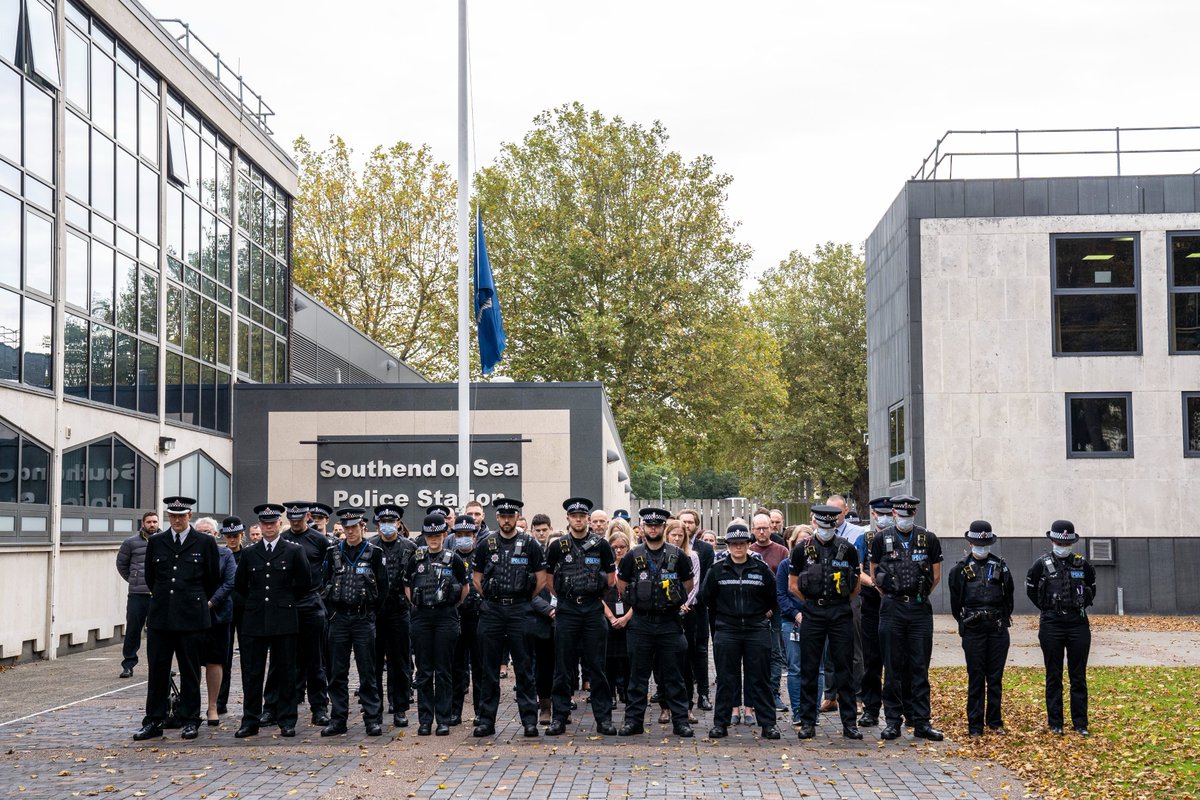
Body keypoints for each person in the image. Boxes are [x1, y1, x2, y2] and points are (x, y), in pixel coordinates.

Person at [132, 497, 221, 741]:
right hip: (161, 617)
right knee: (157, 671)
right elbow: (152, 577)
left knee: (190, 671)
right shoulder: (157, 541)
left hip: (192, 617)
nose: (177, 520)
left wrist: (193, 600)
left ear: (190, 516)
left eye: (181, 516)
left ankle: (190, 718)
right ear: (168, 517)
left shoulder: (204, 542)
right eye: (173, 516)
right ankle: (154, 720)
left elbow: (212, 579)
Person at [233, 505, 312, 738]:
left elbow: (304, 584)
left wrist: (283, 601)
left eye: (272, 523)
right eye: (264, 523)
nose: (268, 527)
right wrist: (256, 605)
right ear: (259, 525)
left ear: (280, 524)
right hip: (255, 620)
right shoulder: (249, 553)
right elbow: (240, 588)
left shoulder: (294, 551)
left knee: (286, 672)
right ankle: (250, 720)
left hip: (284, 618)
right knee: (252, 673)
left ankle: (286, 720)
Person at [870, 494, 944, 741]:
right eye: (901, 515)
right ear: (893, 514)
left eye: (909, 515)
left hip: (919, 609)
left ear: (914, 514)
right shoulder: (881, 539)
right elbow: (875, 575)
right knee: (892, 667)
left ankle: (922, 721)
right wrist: (893, 596)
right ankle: (893, 721)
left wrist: (916, 597)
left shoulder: (928, 539)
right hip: (892, 609)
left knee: (919, 667)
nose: (905, 519)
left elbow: (935, 576)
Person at [472, 497, 548, 738]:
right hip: (493, 610)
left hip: (520, 610)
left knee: (525, 668)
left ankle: (529, 721)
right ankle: (486, 721)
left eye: (511, 516)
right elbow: (476, 577)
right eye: (503, 516)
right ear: (497, 517)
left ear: (517, 517)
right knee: (489, 669)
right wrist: (494, 598)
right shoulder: (487, 543)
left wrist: (522, 598)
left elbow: (541, 579)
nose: (507, 520)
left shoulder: (530, 544)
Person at [616, 507, 695, 738]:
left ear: (663, 527)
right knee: (638, 676)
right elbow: (622, 585)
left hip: (669, 623)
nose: (653, 528)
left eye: (657, 525)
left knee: (674, 676)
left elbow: (688, 584)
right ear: (643, 527)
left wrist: (672, 601)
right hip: (641, 622)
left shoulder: (677, 555)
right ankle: (634, 722)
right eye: (649, 525)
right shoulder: (633, 555)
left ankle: (681, 722)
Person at [701, 522, 780, 740]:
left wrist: (761, 614)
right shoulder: (717, 570)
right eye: (734, 544)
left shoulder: (760, 568)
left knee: (760, 678)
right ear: (727, 545)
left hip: (756, 629)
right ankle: (721, 723)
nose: (738, 548)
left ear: (748, 544)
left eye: (742, 543)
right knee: (726, 679)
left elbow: (772, 598)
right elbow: (708, 598)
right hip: (727, 629)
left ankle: (768, 724)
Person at [545, 497, 617, 736]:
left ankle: (603, 719)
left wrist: (589, 595)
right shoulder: (557, 546)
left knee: (597, 666)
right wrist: (567, 598)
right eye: (574, 516)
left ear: (588, 518)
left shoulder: (601, 545)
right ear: (568, 519)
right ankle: (559, 717)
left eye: (582, 516)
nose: (578, 519)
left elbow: (610, 580)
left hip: (592, 610)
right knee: (563, 667)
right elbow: (549, 581)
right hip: (567, 610)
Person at [790, 505, 863, 740]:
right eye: (821, 526)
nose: (825, 530)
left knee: (845, 668)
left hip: (840, 613)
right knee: (809, 669)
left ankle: (849, 724)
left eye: (829, 526)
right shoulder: (802, 549)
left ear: (835, 525)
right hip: (813, 613)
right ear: (814, 523)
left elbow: (856, 585)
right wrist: (814, 603)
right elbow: (793, 585)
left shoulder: (848, 549)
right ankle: (808, 722)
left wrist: (838, 604)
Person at [321, 507, 388, 737]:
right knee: (337, 672)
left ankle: (372, 719)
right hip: (339, 619)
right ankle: (338, 719)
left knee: (367, 672)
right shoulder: (332, 552)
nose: (350, 531)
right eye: (346, 527)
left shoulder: (375, 553)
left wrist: (370, 614)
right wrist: (331, 614)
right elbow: (324, 582)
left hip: (362, 619)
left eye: (354, 527)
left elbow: (383, 588)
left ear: (362, 527)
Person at [264, 502, 332, 727]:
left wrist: (322, 594)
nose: (295, 522)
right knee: (279, 661)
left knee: (315, 660)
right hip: (285, 605)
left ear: (308, 516)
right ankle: (272, 707)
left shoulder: (319, 541)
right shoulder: (281, 540)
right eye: (291, 518)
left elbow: (329, 569)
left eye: (299, 518)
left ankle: (319, 708)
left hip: (311, 604)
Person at [1026, 520, 1096, 736]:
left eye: (1066, 543)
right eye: (1059, 542)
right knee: (1054, 675)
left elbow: (1092, 589)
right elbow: (1032, 592)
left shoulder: (1082, 564)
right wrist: (1050, 610)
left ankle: (1080, 723)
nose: (1062, 546)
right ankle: (1056, 722)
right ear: (1052, 540)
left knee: (1078, 675)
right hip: (1052, 624)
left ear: (1072, 543)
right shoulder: (1041, 564)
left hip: (1077, 624)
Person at [949, 520, 1014, 737]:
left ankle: (994, 721)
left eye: (985, 543)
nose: (982, 546)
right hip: (974, 628)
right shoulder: (959, 569)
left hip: (996, 628)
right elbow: (955, 603)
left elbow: (1009, 598)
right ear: (970, 543)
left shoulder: (1001, 566)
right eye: (978, 542)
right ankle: (975, 724)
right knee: (976, 676)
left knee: (995, 676)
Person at [406, 513, 469, 736]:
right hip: (422, 617)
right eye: (429, 534)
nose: (433, 538)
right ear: (424, 535)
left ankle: (443, 719)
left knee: (444, 671)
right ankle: (425, 720)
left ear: (444, 534)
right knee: (424, 672)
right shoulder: (416, 557)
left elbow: (464, 588)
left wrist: (451, 605)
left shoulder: (454, 559)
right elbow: (408, 587)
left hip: (446, 618)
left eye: (437, 534)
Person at [371, 503, 416, 728]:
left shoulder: (410, 547)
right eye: (383, 522)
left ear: (398, 523)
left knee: (400, 662)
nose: (387, 526)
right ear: (378, 524)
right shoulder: (370, 546)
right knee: (374, 663)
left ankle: (399, 709)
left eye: (391, 522)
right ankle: (374, 709)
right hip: (375, 612)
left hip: (399, 610)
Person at [194, 517, 236, 726]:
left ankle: (213, 706)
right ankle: (192, 707)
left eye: (208, 532)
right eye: (200, 531)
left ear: (216, 535)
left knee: (215, 660)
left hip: (218, 615)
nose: (204, 535)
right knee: (191, 662)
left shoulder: (225, 554)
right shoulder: (189, 554)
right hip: (192, 615)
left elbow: (229, 583)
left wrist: (210, 603)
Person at [749, 512, 790, 715]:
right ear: (753, 530)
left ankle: (773, 692)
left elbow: (784, 583)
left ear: (772, 529)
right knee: (755, 654)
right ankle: (755, 695)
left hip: (775, 609)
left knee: (775, 652)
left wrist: (772, 606)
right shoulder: (747, 551)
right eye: (759, 528)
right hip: (753, 611)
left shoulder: (782, 551)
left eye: (766, 527)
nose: (763, 531)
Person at [857, 497, 892, 728]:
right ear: (873, 514)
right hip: (870, 605)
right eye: (881, 513)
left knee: (896, 661)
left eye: (890, 512)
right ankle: (870, 709)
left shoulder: (901, 538)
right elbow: (857, 570)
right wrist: (875, 585)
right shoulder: (864, 539)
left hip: (895, 605)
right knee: (871, 661)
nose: (886, 517)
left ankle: (896, 710)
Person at [662, 520, 701, 724]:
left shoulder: (691, 556)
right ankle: (665, 705)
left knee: (685, 661)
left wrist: (683, 603)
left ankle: (686, 706)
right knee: (662, 662)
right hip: (664, 612)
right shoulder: (661, 554)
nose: (676, 539)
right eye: (673, 535)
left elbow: (693, 584)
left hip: (686, 612)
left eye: (680, 536)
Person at [450, 516, 484, 726]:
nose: (463, 539)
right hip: (455, 617)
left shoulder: (482, 558)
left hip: (478, 618)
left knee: (480, 667)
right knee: (456, 667)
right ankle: (455, 711)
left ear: (474, 536)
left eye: (467, 535)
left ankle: (481, 711)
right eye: (459, 535)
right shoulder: (449, 558)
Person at [679, 508, 714, 712]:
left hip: (698, 609)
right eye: (683, 521)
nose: (686, 525)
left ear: (696, 525)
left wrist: (693, 601)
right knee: (680, 653)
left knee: (700, 652)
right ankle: (683, 695)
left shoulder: (705, 549)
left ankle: (703, 694)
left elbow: (706, 580)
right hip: (676, 611)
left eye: (690, 522)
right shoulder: (673, 547)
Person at [116, 510, 158, 678]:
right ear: (143, 523)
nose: (152, 525)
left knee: (158, 632)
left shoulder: (164, 541)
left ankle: (158, 666)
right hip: (137, 595)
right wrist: (133, 579)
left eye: (154, 522)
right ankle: (128, 664)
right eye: (149, 522)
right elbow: (121, 564)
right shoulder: (130, 542)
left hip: (157, 595)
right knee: (133, 630)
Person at [216, 516, 247, 716]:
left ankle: (250, 703)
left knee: (249, 659)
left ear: (241, 535)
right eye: (229, 536)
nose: (232, 540)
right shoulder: (219, 555)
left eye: (235, 536)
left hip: (245, 611)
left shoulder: (250, 555)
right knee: (223, 658)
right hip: (225, 611)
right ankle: (220, 701)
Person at [602, 526, 633, 706]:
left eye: (622, 547)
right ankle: (611, 695)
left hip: (628, 618)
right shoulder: (605, 568)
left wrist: (626, 618)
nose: (619, 550)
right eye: (614, 547)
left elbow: (639, 598)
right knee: (609, 660)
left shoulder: (634, 567)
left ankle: (628, 695)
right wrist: (611, 618)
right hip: (608, 618)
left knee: (628, 660)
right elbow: (597, 595)